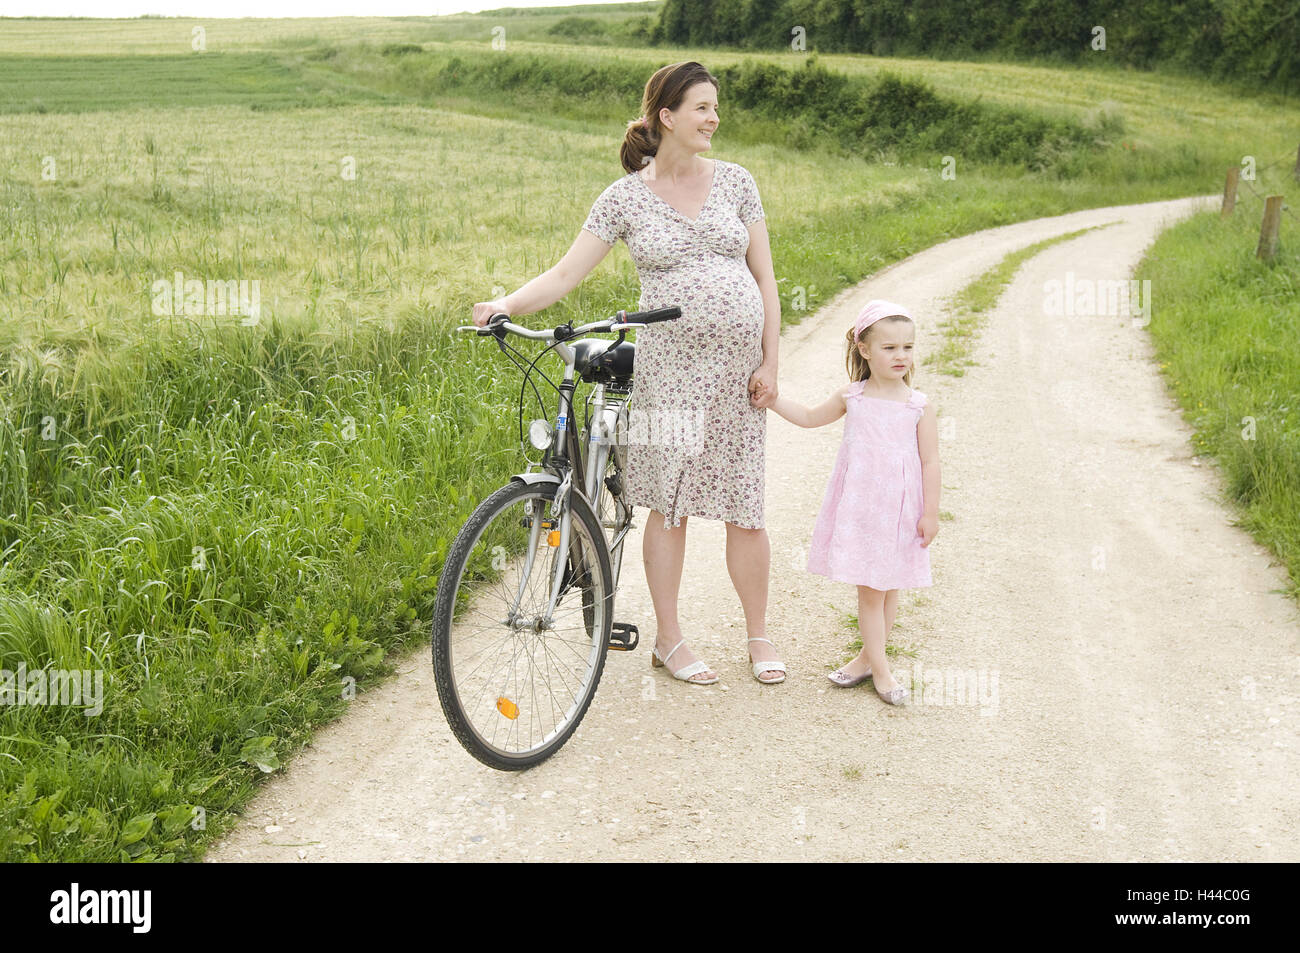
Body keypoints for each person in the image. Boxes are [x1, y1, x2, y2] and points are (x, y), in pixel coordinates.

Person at [471, 61, 786, 686]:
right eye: (701, 107)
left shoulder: (738, 183)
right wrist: (506, 303)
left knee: (745, 508)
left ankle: (759, 635)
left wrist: (771, 360)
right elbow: (565, 275)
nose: (713, 118)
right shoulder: (624, 198)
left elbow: (766, 280)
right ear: (666, 116)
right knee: (670, 507)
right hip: (670, 374)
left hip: (737, 374)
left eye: (715, 107)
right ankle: (670, 640)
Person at [764, 300, 940, 705]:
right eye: (890, 348)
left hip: (900, 510)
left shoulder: (918, 405)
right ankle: (882, 671)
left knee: (889, 587)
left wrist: (930, 512)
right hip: (862, 509)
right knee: (870, 592)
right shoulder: (853, 397)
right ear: (864, 349)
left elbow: (930, 461)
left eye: (908, 347)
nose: (901, 356)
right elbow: (809, 417)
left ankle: (866, 659)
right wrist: (773, 400)